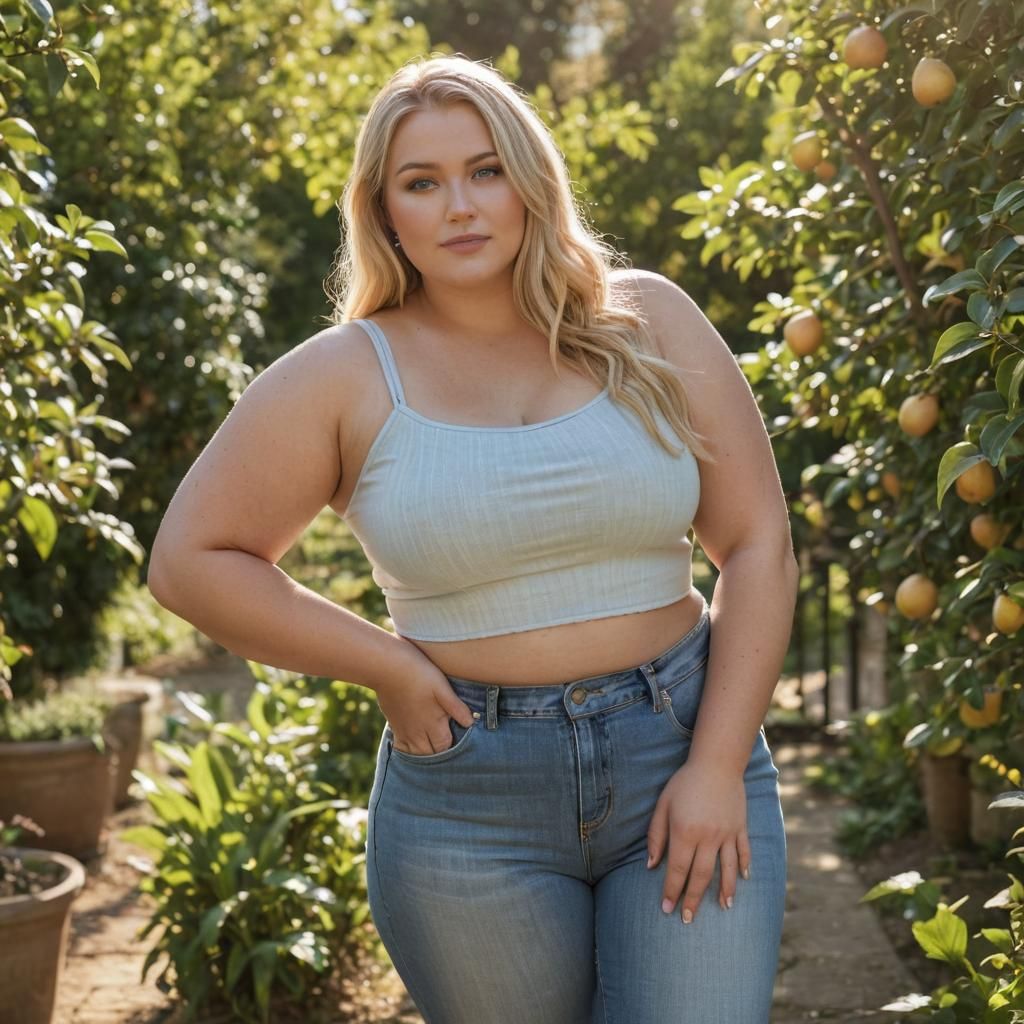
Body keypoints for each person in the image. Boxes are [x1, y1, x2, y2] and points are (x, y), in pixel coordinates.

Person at [148, 52, 798, 1024]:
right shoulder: (343, 375)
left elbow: (757, 544)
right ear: (384, 211)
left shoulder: (646, 321)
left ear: (530, 181)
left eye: (484, 169)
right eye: (422, 181)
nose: (459, 203)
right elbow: (190, 561)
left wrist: (714, 764)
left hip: (681, 745)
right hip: (466, 801)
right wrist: (385, 666)